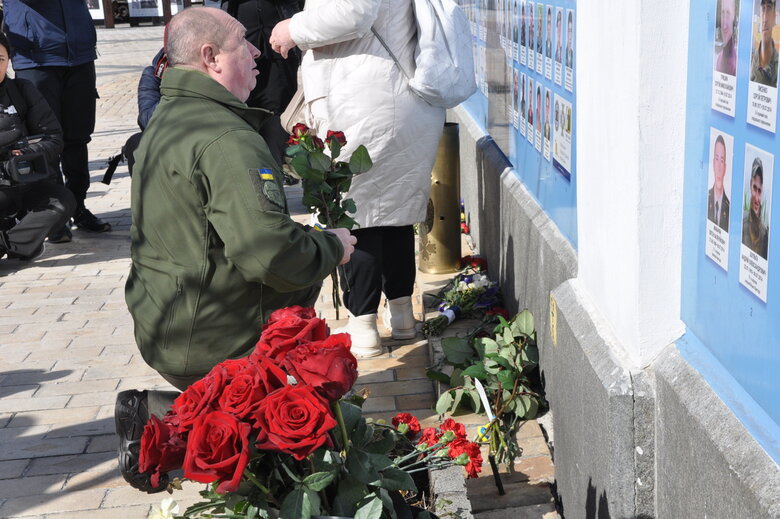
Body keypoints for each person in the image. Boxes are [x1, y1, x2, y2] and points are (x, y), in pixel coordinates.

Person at [115, 7, 356, 493]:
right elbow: (268, 254)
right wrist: (331, 246)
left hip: (167, 319)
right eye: (243, 42)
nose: (256, 53)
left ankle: (178, 415)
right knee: (320, 414)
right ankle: (173, 425)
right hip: (212, 333)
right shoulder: (225, 137)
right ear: (210, 58)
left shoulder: (170, 115)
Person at [269, 0, 446, 356]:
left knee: (356, 215)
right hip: (394, 95)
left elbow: (355, 11)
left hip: (363, 102)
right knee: (393, 214)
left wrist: (294, 28)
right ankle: (401, 314)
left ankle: (363, 325)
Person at [3, 0, 111, 244]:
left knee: (78, 137)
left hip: (80, 53)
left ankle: (78, 206)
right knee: (44, 140)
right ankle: (54, 216)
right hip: (36, 56)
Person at [0, 32, 75, 261]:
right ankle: (19, 244)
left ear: (9, 60)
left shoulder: (22, 90)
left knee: (62, 202)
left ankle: (9, 245)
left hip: (24, 183)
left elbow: (53, 138)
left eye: (0, 59)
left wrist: (21, 154)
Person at [221, 0, 303, 173]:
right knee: (243, 110)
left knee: (279, 111)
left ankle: (277, 168)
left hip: (280, 47)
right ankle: (251, 167)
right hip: (240, 45)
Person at [742, 157, 770, 259]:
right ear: (750, 185)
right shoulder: (742, 222)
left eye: (759, 190)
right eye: (754, 188)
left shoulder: (765, 233)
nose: (757, 198)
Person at [750, 0, 778, 87]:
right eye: (763, 9)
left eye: (769, 8)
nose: (765, 19)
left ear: (774, 17)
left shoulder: (777, 63)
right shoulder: (751, 58)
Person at [707, 135, 730, 232]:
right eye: (716, 159)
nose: (719, 168)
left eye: (722, 161)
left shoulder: (729, 208)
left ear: (725, 167)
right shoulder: (706, 198)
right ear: (713, 164)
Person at [715, 0, 738, 76]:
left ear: (734, 15)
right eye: (722, 13)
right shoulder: (719, 57)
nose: (724, 26)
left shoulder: (736, 64)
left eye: (728, 13)